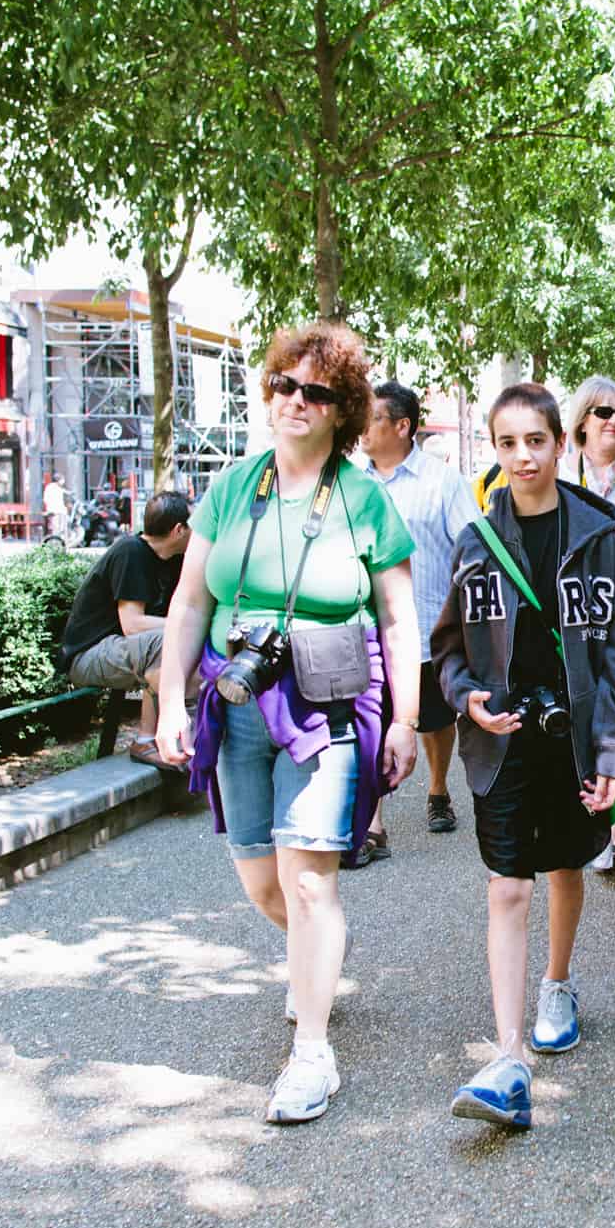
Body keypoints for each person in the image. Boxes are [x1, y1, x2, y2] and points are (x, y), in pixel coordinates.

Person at [155, 321, 421, 1126]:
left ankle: (313, 1052)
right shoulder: (235, 486)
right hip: (237, 695)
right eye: (284, 385)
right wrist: (171, 698)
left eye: (315, 392)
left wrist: (406, 719)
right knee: (262, 879)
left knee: (311, 881)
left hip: (328, 698)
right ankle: (316, 957)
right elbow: (191, 600)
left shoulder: (365, 497)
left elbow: (399, 617)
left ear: (342, 410)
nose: (294, 401)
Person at [436, 382, 615, 1130]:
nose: (522, 455)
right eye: (507, 442)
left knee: (564, 865)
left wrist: (614, 744)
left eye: (536, 440)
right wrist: (467, 698)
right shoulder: (475, 540)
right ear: (492, 450)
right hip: (502, 738)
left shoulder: (596, 533)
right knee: (506, 887)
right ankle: (509, 1052)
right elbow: (448, 650)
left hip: (577, 734)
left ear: (562, 443)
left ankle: (558, 981)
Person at [357, 380, 481, 862]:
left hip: (428, 628)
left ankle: (437, 790)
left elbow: (471, 543)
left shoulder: (442, 480)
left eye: (371, 419)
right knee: (373, 719)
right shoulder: (352, 479)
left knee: (432, 721)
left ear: (402, 426)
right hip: (367, 631)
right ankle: (372, 822)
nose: (361, 429)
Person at [58, 490, 192, 761]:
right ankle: (148, 740)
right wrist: (186, 625)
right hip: (88, 654)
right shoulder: (131, 552)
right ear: (179, 529)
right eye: (192, 526)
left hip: (126, 651)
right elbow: (133, 624)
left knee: (176, 641)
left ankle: (181, 735)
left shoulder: (173, 560)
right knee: (166, 641)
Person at [43, 474, 70, 540]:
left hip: (58, 510)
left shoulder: (58, 487)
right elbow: (46, 499)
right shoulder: (52, 487)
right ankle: (58, 540)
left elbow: (66, 493)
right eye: (62, 479)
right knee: (57, 527)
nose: (63, 481)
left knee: (60, 526)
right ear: (59, 480)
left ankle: (61, 539)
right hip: (55, 510)